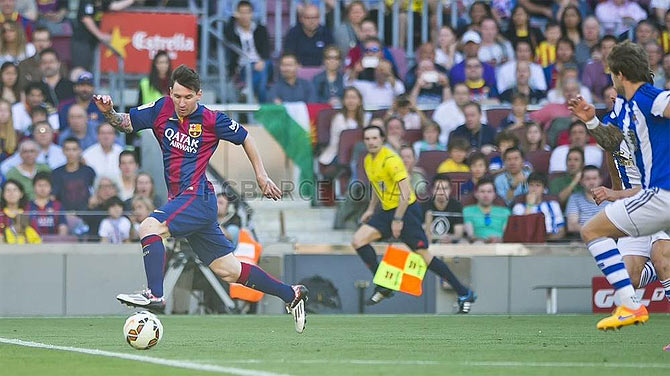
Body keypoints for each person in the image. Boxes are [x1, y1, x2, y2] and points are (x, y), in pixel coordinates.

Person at [93, 64, 308, 332]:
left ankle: (154, 294)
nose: (182, 103)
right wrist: (110, 113)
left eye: (188, 97)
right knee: (228, 270)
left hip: (197, 196)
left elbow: (246, 137)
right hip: (184, 200)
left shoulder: (211, 119)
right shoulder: (161, 109)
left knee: (149, 226)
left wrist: (262, 176)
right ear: (170, 92)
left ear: (199, 95)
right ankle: (291, 294)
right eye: (177, 96)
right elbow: (127, 124)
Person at [567, 39, 670, 329]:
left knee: (592, 230)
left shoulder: (650, 96)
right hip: (655, 196)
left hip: (661, 194)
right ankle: (631, 303)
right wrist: (591, 122)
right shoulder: (626, 106)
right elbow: (613, 143)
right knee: (641, 266)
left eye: (611, 71)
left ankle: (631, 306)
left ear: (620, 74)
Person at [351, 125, 476, 311]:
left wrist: (398, 220)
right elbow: (377, 187)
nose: (371, 142)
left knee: (424, 256)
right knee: (358, 240)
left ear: (382, 139)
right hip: (386, 211)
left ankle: (464, 292)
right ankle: (384, 284)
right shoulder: (368, 160)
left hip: (406, 210)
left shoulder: (392, 160)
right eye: (367, 139)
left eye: (374, 138)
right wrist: (370, 209)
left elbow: (406, 192)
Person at [223, 1, 271, 103]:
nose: (244, 16)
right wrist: (232, 18)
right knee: (262, 80)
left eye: (247, 12)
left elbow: (267, 49)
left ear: (252, 14)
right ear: (237, 14)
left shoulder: (261, 29)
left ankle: (247, 90)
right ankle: (262, 105)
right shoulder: (233, 31)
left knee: (264, 68)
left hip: (262, 62)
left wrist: (262, 61)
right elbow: (227, 36)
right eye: (241, 13)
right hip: (244, 67)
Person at [72, 0, 136, 71]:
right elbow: (86, 18)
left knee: (91, 69)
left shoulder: (103, 1)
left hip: (93, 41)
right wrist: (100, 35)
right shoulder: (87, 1)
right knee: (80, 69)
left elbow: (115, 6)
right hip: (82, 40)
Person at [318, 86, 365, 166]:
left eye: (353, 98)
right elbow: (347, 140)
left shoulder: (364, 119)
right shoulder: (339, 118)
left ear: (360, 101)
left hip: (357, 153)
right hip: (338, 154)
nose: (350, 101)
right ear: (343, 101)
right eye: (347, 98)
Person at [512, 172, 566, 239]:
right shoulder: (519, 207)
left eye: (538, 185)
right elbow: (522, 231)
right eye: (531, 185)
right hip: (527, 243)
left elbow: (561, 230)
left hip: (551, 242)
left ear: (544, 189)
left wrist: (545, 241)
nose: (534, 189)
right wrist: (529, 205)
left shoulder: (553, 205)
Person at [51, 137, 96, 212]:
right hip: (63, 215)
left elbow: (95, 190)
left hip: (86, 213)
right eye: (68, 149)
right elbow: (53, 196)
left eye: (74, 149)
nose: (71, 153)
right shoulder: (56, 173)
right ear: (63, 151)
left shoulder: (88, 171)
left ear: (80, 151)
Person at [463, 177, 511, 243]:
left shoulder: (505, 212)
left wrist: (499, 240)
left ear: (494, 195)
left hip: (500, 245)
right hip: (477, 245)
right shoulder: (467, 211)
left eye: (489, 192)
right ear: (476, 194)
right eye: (482, 192)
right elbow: (471, 235)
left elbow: (507, 235)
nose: (486, 195)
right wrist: (485, 241)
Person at [424, 174, 465, 244]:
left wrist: (450, 238)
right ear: (432, 190)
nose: (441, 192)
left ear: (450, 190)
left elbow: (458, 233)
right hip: (429, 242)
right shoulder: (424, 205)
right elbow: (422, 231)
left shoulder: (456, 205)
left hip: (450, 243)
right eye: (438, 188)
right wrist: (437, 238)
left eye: (445, 188)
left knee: (463, 243)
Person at [26, 171, 67, 236]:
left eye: (46, 185)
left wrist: (60, 242)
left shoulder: (58, 205)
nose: (43, 188)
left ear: (51, 188)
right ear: (34, 187)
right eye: (39, 185)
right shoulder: (27, 206)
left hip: (53, 243)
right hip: (32, 243)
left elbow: (63, 226)